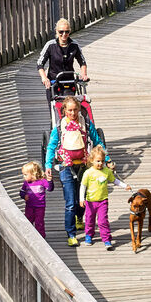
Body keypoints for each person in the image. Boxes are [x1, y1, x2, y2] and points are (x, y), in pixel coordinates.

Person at [45, 97, 108, 246]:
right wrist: (48, 165)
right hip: (66, 166)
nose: (72, 113)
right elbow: (51, 146)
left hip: (84, 166)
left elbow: (97, 142)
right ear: (64, 111)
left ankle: (79, 218)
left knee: (84, 197)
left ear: (79, 109)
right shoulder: (60, 127)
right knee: (70, 202)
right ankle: (71, 234)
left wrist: (108, 159)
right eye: (69, 110)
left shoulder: (85, 123)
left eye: (75, 110)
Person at [37, 19, 89, 118]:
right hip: (54, 82)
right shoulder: (50, 45)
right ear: (56, 32)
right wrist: (44, 78)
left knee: (70, 110)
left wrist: (84, 74)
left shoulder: (74, 45)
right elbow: (40, 64)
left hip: (69, 82)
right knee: (55, 112)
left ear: (70, 32)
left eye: (67, 32)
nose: (64, 34)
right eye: (61, 32)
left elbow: (82, 62)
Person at [80, 146, 116, 249]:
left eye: (102, 161)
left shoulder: (106, 171)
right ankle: (89, 235)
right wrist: (81, 199)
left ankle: (107, 239)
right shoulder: (88, 173)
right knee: (89, 220)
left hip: (103, 201)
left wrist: (124, 185)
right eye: (98, 161)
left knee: (103, 221)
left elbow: (114, 180)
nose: (100, 163)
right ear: (92, 160)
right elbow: (83, 186)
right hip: (90, 201)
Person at [20, 162, 51, 237]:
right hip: (29, 206)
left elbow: (50, 189)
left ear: (33, 173)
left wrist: (50, 181)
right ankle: (29, 236)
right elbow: (21, 192)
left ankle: (41, 236)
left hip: (40, 206)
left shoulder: (42, 181)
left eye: (26, 174)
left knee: (39, 222)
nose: (24, 176)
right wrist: (24, 196)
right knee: (28, 220)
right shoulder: (26, 183)